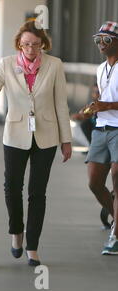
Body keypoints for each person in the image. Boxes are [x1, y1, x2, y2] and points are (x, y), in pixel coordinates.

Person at [0, 20, 72, 266]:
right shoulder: (6, 64)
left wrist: (66, 140)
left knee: (37, 192)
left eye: (36, 45)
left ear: (43, 44)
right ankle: (16, 232)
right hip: (15, 133)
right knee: (12, 187)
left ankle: (33, 246)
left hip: (47, 135)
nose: (31, 49)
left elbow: (61, 104)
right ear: (19, 43)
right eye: (26, 44)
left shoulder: (54, 65)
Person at [78, 21, 118, 255]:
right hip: (101, 129)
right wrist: (95, 107)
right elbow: (104, 98)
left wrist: (107, 105)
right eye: (98, 40)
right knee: (94, 182)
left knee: (116, 177)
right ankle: (115, 219)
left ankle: (115, 236)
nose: (101, 44)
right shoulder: (101, 68)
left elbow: (108, 102)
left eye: (107, 40)